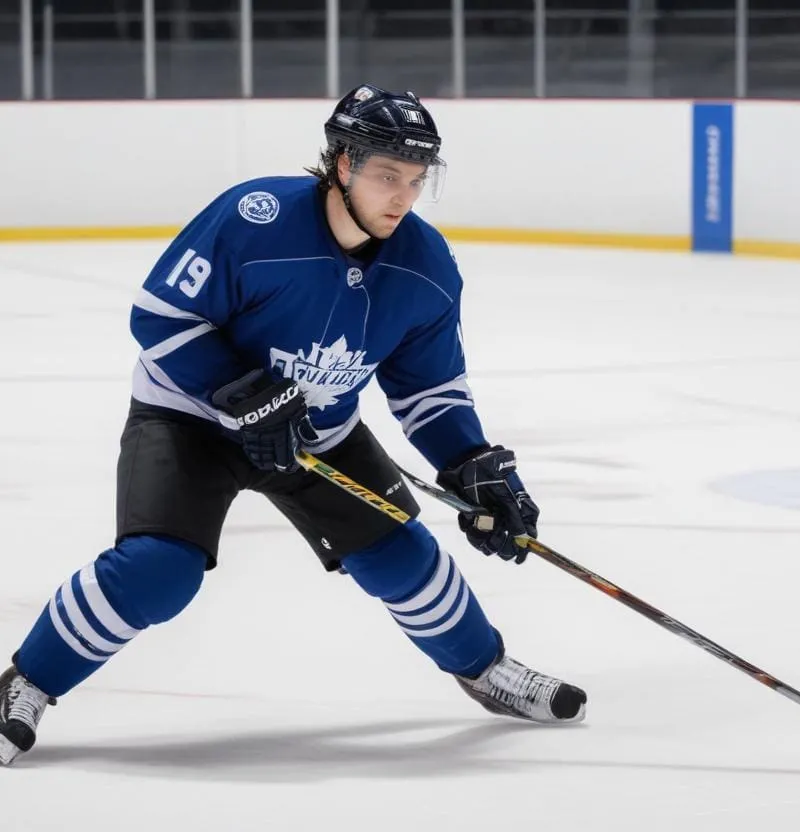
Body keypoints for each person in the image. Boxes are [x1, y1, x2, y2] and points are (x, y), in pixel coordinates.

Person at [0, 83, 586, 766]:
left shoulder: (425, 267)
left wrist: (471, 464)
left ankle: (487, 671)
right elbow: (159, 317)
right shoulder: (256, 217)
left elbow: (428, 387)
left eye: (416, 180)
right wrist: (239, 391)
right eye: (386, 175)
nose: (402, 196)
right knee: (159, 569)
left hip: (316, 438)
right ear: (342, 163)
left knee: (403, 558)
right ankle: (28, 682)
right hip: (190, 418)